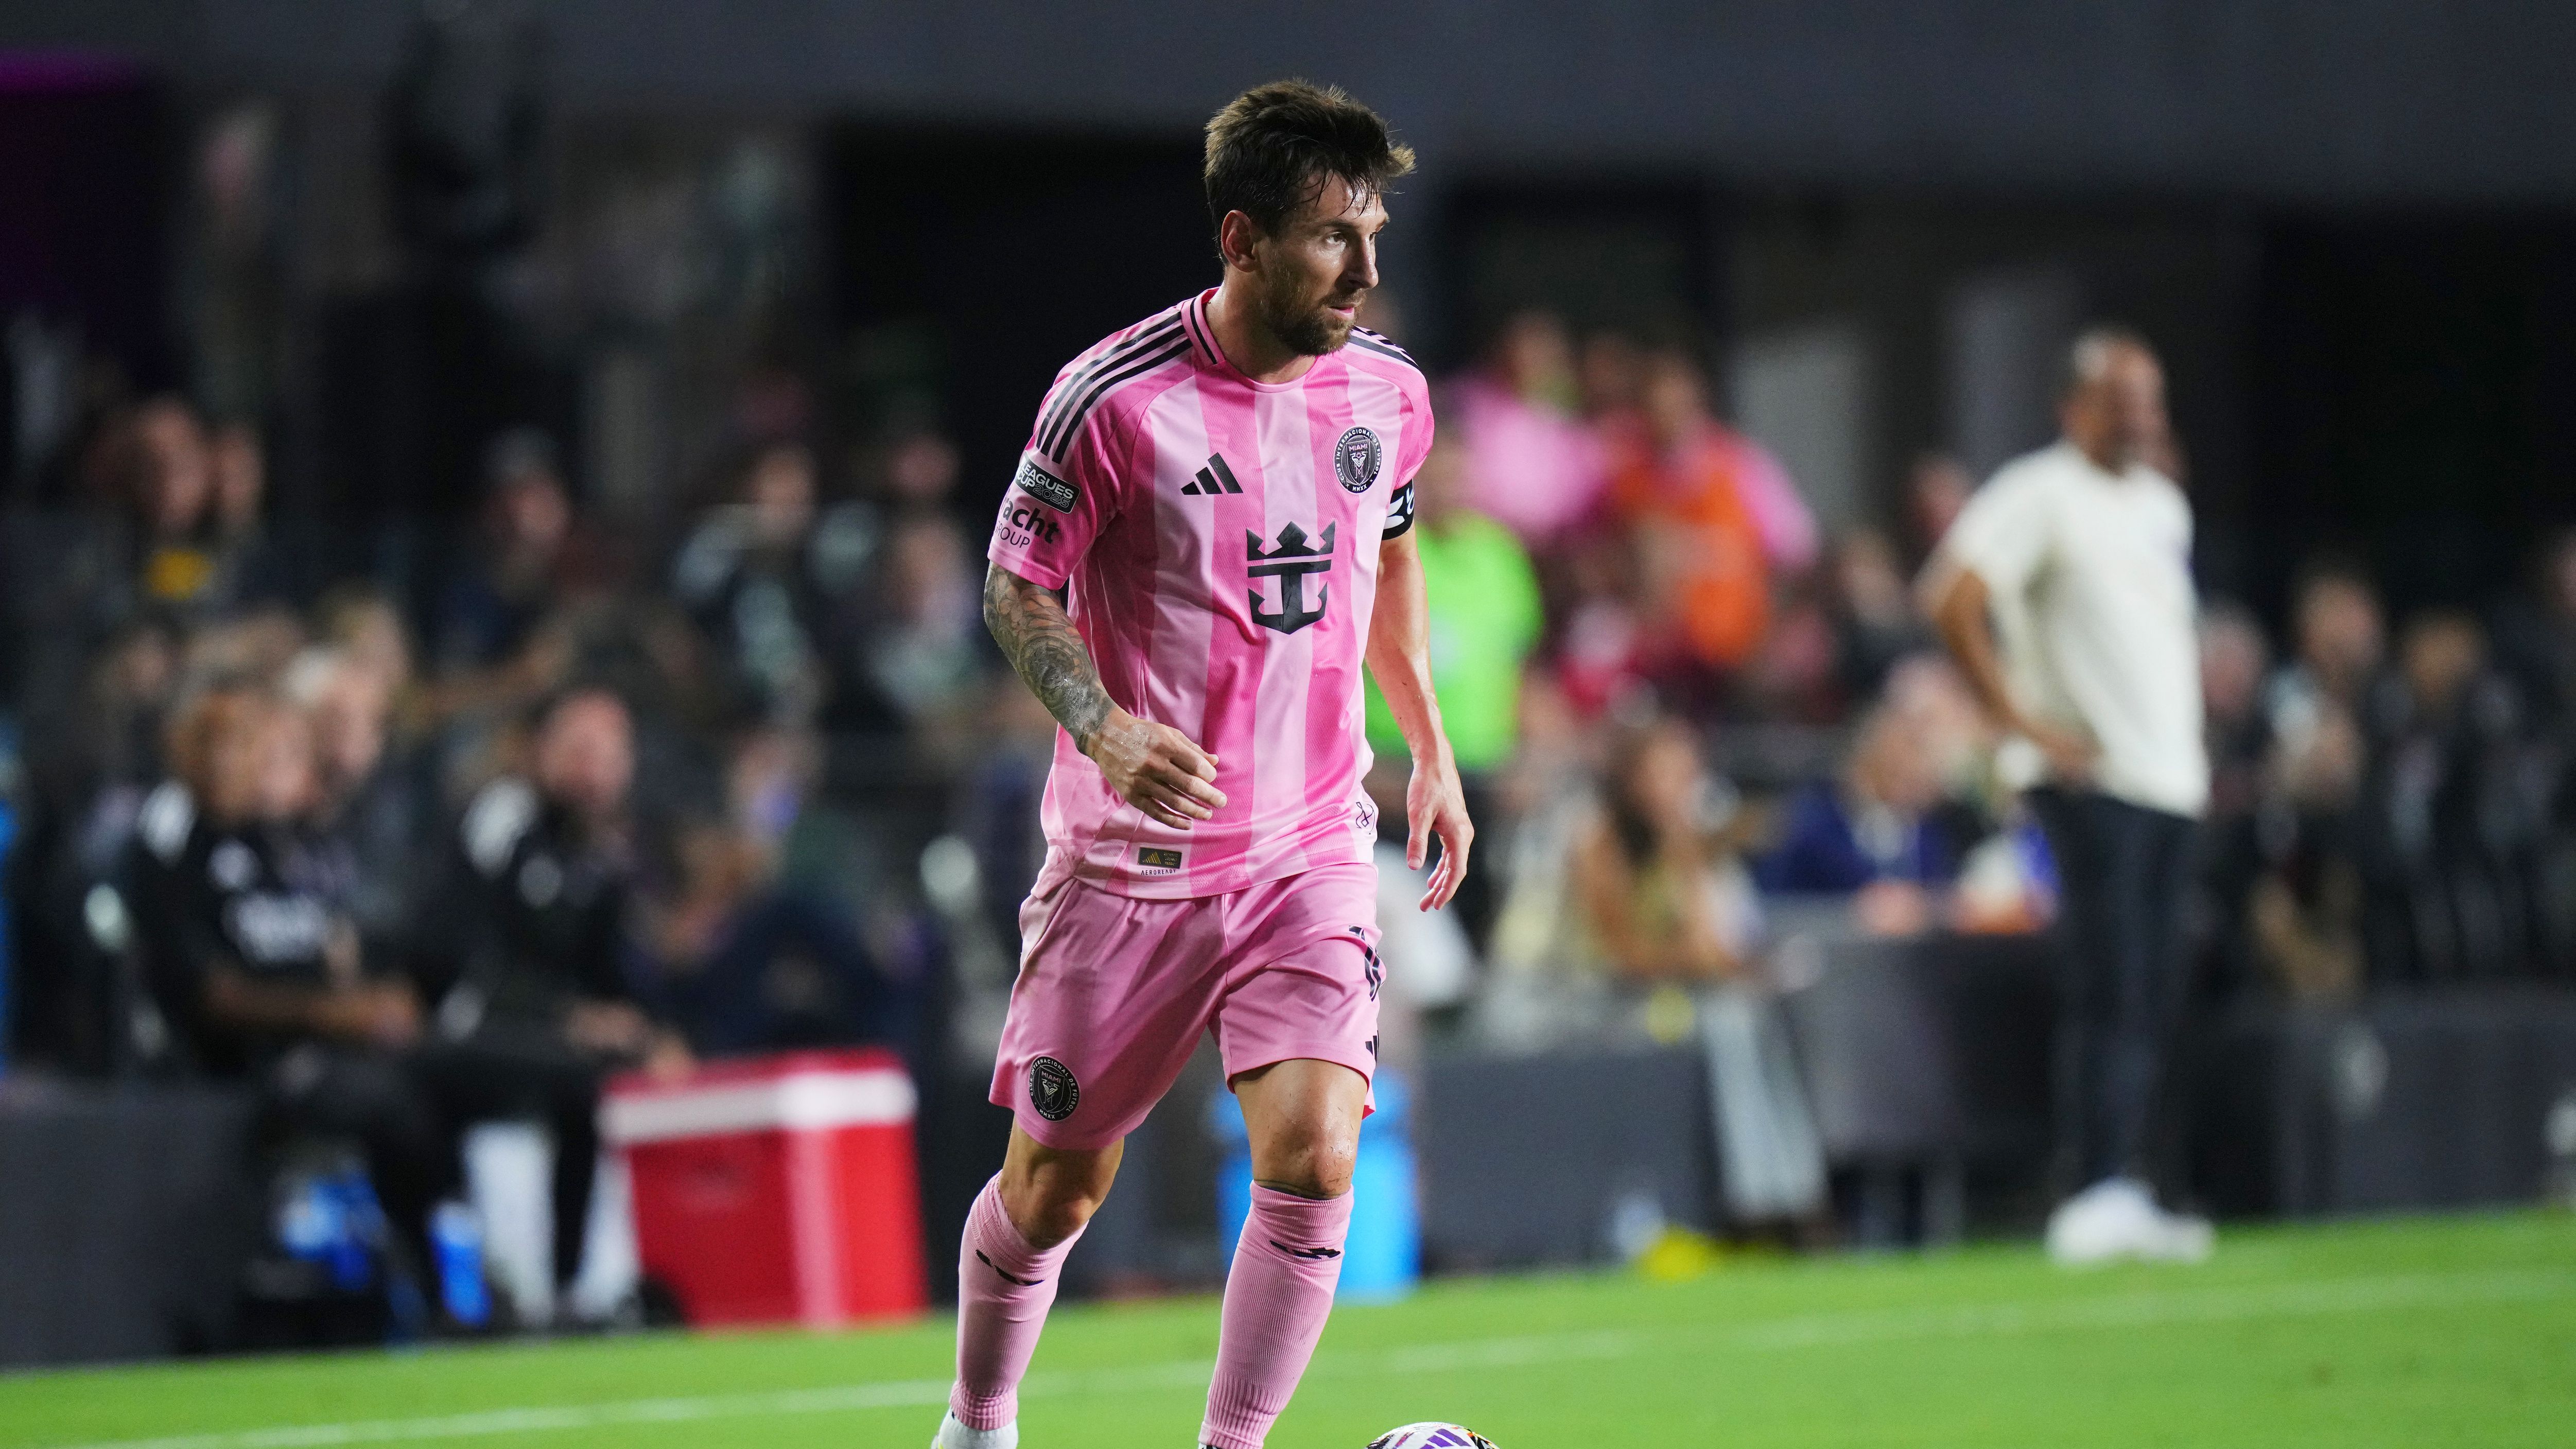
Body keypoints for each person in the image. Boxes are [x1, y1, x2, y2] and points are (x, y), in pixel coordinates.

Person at [936, 81, 1469, 1449]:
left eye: (1372, 232)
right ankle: (980, 1421)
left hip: (1307, 844)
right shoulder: (1111, 400)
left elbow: (1386, 564)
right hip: (1131, 866)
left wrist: (1430, 753)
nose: (1364, 268)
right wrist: (1103, 726)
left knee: (1315, 1157)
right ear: (1240, 239)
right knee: (1057, 1190)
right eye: (1330, 239)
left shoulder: (1389, 394)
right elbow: (1013, 588)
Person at [1920, 326, 2215, 1266]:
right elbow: (1952, 598)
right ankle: (2092, 1187)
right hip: (2092, 780)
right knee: (2111, 988)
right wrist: (2020, 723)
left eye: (2150, 401)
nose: (2139, 419)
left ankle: (2132, 1179)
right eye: (2121, 401)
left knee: (2156, 990)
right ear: (2073, 408)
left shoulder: (2163, 504)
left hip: (2170, 780)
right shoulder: (2039, 492)